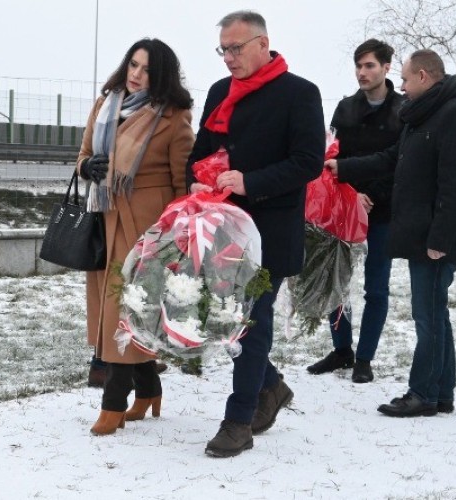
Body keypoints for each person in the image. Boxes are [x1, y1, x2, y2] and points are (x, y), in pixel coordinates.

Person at [187, 11, 324, 457]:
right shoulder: (219, 92)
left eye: (236, 48)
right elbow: (201, 151)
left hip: (270, 232)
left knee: (250, 321)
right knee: (226, 320)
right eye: (223, 49)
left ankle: (238, 420)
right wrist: (197, 179)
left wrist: (250, 182)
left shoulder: (300, 93)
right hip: (224, 230)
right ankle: (271, 386)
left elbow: (307, 162)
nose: (228, 58)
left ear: (263, 43)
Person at [326, 49, 456, 417]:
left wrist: (440, 240)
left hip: (436, 239)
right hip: (421, 234)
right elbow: (391, 159)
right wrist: (342, 167)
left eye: (408, 80)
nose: (404, 87)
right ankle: (441, 393)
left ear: (425, 77)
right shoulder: (422, 116)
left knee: (427, 316)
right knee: (434, 314)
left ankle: (423, 394)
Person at [78, 38, 195, 435]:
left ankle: (113, 400)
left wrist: (178, 235)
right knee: (114, 308)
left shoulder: (174, 116)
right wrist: (88, 168)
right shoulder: (105, 103)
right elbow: (81, 154)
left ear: (159, 75)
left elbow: (182, 181)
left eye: (146, 69)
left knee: (124, 310)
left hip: (147, 226)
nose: (135, 74)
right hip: (104, 217)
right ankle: (148, 388)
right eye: (132, 64)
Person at [306, 39, 403, 383]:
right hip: (344, 209)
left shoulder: (403, 110)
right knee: (336, 282)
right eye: (359, 66)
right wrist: (354, 192)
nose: (363, 72)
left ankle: (364, 358)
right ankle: (341, 349)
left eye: (370, 66)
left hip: (383, 212)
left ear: (387, 67)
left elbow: (399, 163)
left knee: (376, 288)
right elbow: (332, 160)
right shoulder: (346, 109)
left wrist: (371, 195)